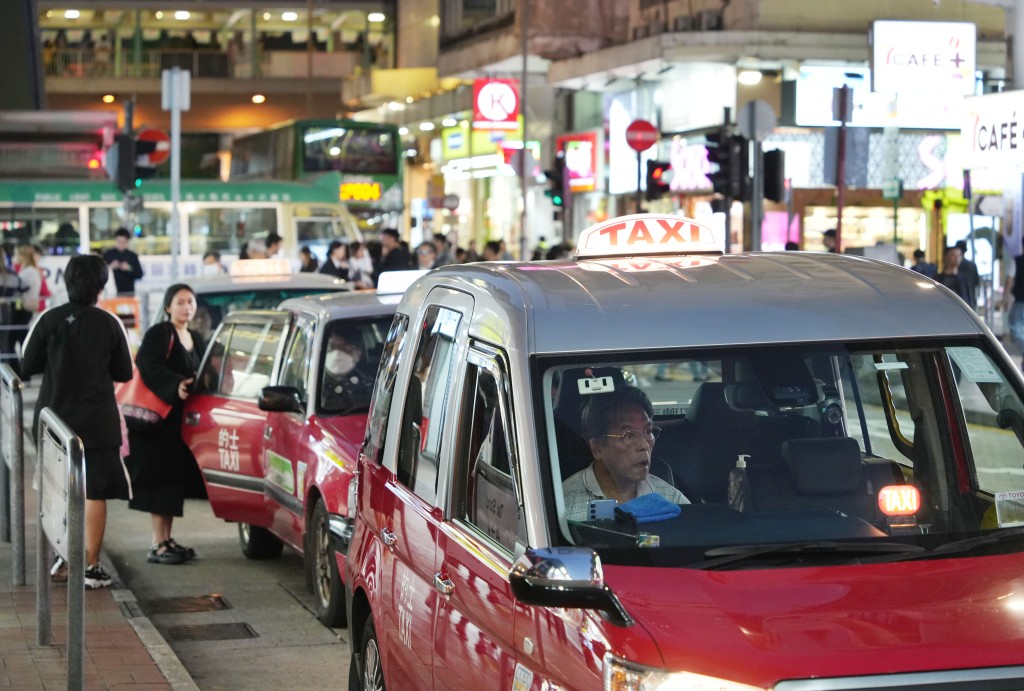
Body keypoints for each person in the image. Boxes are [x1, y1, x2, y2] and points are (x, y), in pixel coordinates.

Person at [21, 254, 133, 589]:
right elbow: (124, 372)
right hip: (98, 421)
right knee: (94, 491)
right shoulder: (110, 323)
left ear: (67, 282)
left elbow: (27, 366)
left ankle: (62, 558)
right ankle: (91, 565)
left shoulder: (49, 319)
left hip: (54, 419)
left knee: (57, 490)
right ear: (101, 286)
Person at [125, 283, 206, 565]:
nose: (186, 307)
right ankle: (157, 543)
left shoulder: (194, 336)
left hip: (179, 425)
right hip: (156, 424)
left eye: (190, 302)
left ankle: (167, 539)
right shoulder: (161, 333)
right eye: (180, 302)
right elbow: (148, 365)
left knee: (172, 482)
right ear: (168, 306)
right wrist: (175, 386)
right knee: (158, 482)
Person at [562, 386, 688, 521]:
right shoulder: (564, 507)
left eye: (648, 431)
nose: (644, 445)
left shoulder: (671, 499)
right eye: (628, 435)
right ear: (597, 448)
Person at [321, 323, 374, 411]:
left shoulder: (369, 387)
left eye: (345, 347)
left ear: (358, 353)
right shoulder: (314, 386)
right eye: (331, 347)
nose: (337, 354)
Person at [13, 245, 44, 354]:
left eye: (16, 254)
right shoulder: (29, 270)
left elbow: (19, 288)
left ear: (22, 256)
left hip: (25, 308)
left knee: (18, 337)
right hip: (24, 307)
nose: (14, 257)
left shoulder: (29, 271)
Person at [103, 228, 144, 295]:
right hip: (111, 293)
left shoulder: (132, 256)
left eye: (123, 242)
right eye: (118, 241)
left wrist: (128, 268)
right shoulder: (108, 254)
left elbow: (139, 274)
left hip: (128, 292)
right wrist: (110, 267)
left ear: (127, 242)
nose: (120, 244)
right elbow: (100, 273)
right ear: (115, 240)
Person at [955, 240, 980, 309]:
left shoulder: (955, 264)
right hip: (970, 300)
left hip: (957, 301)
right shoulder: (972, 265)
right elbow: (976, 282)